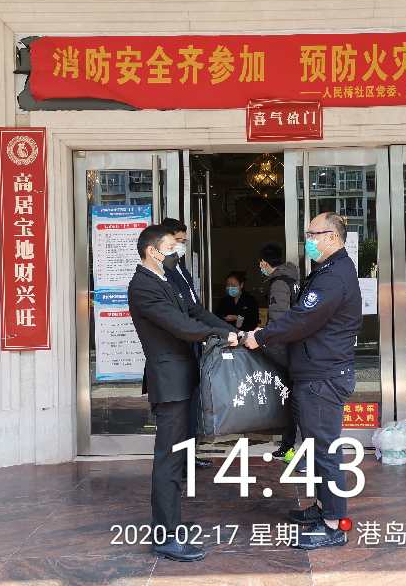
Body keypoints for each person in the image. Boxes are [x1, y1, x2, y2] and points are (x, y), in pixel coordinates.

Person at [244, 212, 362, 550]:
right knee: (315, 448)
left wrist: (261, 337)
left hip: (324, 376)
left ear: (332, 237)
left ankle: (333, 524)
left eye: (313, 234)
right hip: (315, 372)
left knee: (325, 451)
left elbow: (302, 319)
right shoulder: (326, 270)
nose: (308, 240)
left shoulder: (334, 276)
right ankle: (323, 507)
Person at [128, 224, 237, 562]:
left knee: (178, 456)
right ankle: (164, 535)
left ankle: (171, 523)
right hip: (170, 383)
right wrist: (221, 336)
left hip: (183, 378)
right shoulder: (143, 286)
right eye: (170, 247)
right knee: (169, 459)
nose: (176, 252)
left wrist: (231, 331)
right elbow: (182, 326)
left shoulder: (165, 279)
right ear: (152, 251)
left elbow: (192, 313)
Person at [160, 217, 211, 469]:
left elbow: (195, 308)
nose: (181, 246)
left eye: (184, 241)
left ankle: (189, 456)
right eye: (177, 241)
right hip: (177, 350)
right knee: (178, 412)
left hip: (192, 347)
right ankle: (179, 462)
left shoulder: (180, 268)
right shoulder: (162, 273)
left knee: (192, 407)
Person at [258, 242, 301, 461]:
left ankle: (289, 445)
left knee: (290, 399)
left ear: (264, 263)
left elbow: (279, 320)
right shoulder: (292, 279)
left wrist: (261, 338)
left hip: (286, 349)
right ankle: (288, 444)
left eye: (260, 263)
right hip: (295, 346)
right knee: (293, 398)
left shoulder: (278, 284)